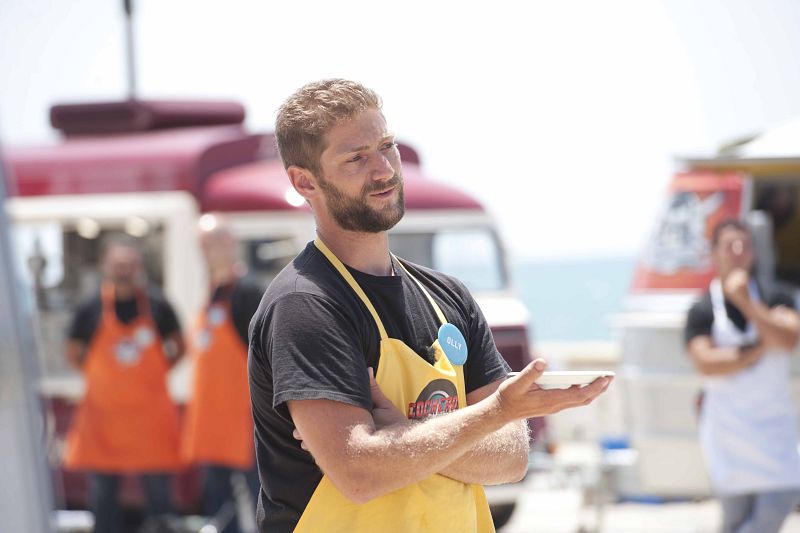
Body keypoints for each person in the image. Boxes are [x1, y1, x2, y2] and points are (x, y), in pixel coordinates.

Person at [247, 78, 613, 533]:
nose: (384, 169)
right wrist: (493, 414)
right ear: (305, 182)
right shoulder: (305, 305)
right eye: (356, 158)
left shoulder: (448, 297)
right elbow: (360, 474)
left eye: (387, 146)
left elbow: (512, 456)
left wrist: (402, 435)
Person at [685, 218, 800, 533]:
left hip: (774, 430)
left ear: (754, 253)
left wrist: (747, 304)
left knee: (778, 504)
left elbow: (788, 340)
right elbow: (707, 363)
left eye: (744, 245)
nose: (737, 252)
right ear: (714, 253)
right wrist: (761, 344)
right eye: (729, 246)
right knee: (734, 520)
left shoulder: (776, 295)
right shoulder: (702, 309)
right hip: (729, 431)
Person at [63, 237, 185, 533]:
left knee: (160, 504)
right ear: (107, 266)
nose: (124, 271)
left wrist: (155, 375)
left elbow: (179, 346)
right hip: (103, 422)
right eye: (118, 265)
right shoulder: (89, 308)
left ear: (139, 267)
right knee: (103, 504)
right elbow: (72, 352)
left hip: (149, 421)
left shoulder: (158, 304)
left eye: (129, 265)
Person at [182, 214, 263, 532]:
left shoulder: (247, 293)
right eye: (202, 244)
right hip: (212, 425)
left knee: (260, 506)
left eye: (213, 242)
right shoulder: (211, 294)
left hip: (245, 424)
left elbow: (264, 358)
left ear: (230, 244)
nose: (207, 250)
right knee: (219, 515)